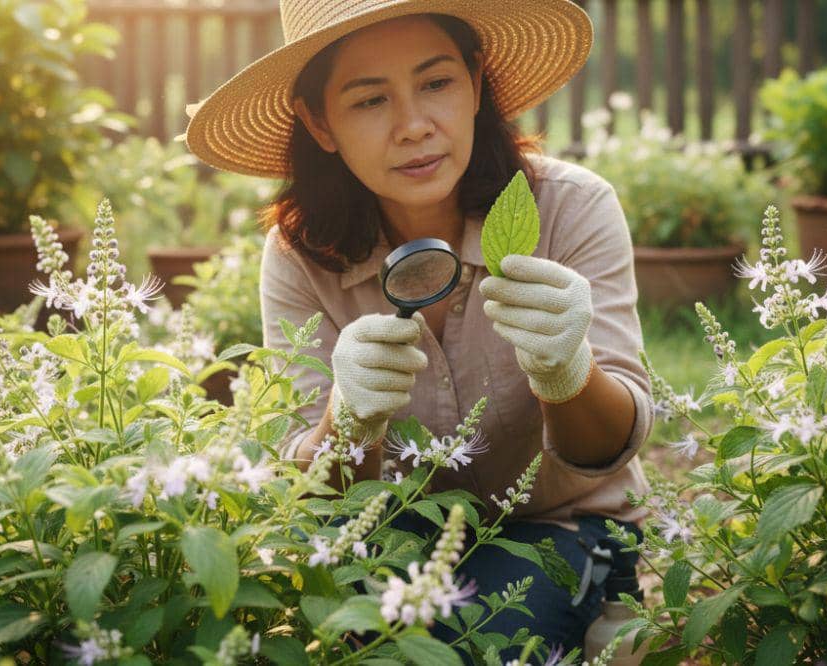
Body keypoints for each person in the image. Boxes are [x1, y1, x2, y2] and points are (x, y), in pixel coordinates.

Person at [184, 0, 653, 660]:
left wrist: (565, 370)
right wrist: (347, 421)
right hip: (394, 538)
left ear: (476, 82)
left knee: (466, 647)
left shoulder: (570, 209)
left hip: (562, 524)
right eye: (370, 100)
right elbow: (318, 498)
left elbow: (609, 446)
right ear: (319, 122)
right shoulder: (299, 257)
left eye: (436, 82)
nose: (413, 127)